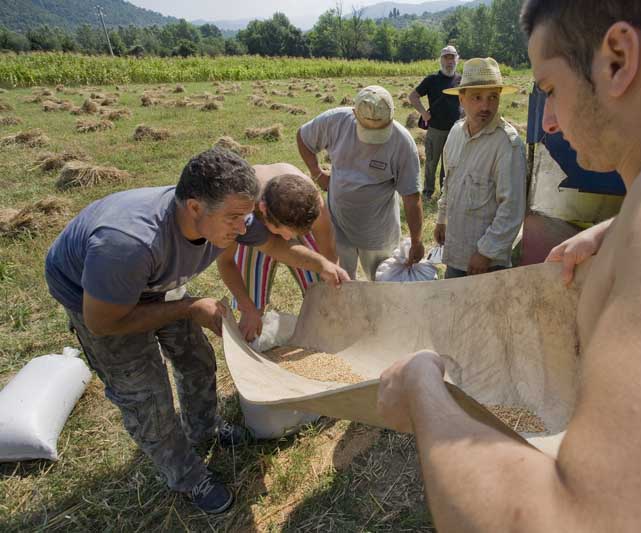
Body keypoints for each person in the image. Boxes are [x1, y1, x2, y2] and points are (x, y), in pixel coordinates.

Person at [377, 0, 641, 531]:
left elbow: (593, 522)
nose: (548, 122)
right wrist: (617, 228)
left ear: (618, 58)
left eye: (550, 89)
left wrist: (424, 393)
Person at [44, 148, 346, 514]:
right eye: (235, 219)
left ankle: (204, 429)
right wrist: (188, 307)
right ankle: (187, 475)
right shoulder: (127, 244)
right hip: (101, 300)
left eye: (246, 217)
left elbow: (274, 246)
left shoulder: (230, 216)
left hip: (157, 282)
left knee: (197, 360)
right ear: (194, 208)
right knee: (146, 396)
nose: (243, 229)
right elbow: (103, 322)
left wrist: (321, 264)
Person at [296, 85, 425, 280]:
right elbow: (303, 137)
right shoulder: (335, 121)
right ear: (354, 114)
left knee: (381, 283)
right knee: (340, 282)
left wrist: (416, 241)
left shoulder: (402, 142)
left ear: (392, 114)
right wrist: (317, 173)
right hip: (338, 222)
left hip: (378, 231)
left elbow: (411, 196)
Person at [216, 163, 344, 342]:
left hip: (284, 217)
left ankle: (326, 340)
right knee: (253, 309)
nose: (287, 239)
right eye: (281, 232)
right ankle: (251, 351)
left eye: (294, 235)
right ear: (263, 209)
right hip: (252, 226)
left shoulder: (313, 202)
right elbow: (225, 262)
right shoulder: (239, 207)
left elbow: (328, 251)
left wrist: (332, 277)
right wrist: (248, 307)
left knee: (322, 292)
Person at [433, 57, 527, 278]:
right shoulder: (456, 133)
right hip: (457, 249)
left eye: (492, 97)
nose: (486, 106)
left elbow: (511, 209)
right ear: (462, 99)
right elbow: (450, 182)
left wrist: (486, 252)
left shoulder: (507, 145)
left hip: (486, 263)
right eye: (477, 97)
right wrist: (441, 218)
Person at [408, 45, 463, 199]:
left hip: (455, 131)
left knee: (449, 165)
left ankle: (445, 193)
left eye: (452, 58)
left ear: (456, 60)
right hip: (436, 130)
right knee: (431, 162)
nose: (449, 61)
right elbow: (413, 97)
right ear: (441, 60)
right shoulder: (432, 80)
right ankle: (427, 192)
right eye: (446, 58)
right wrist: (424, 113)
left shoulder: (461, 80)